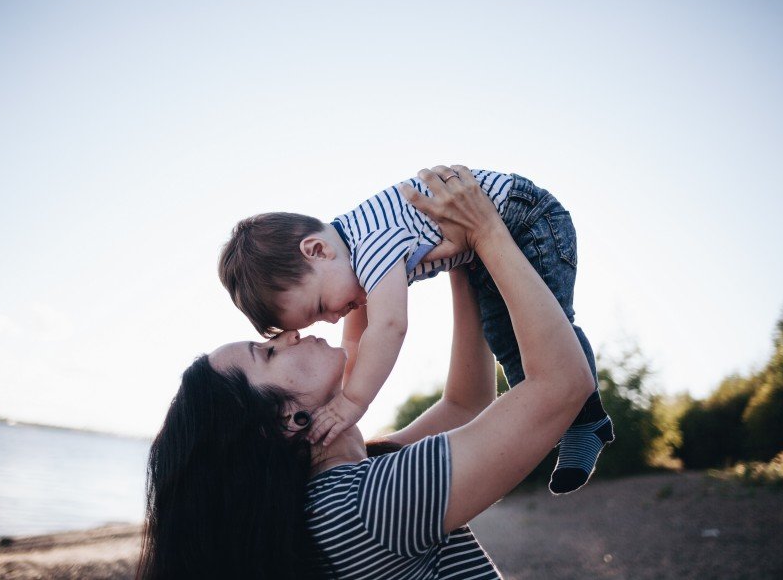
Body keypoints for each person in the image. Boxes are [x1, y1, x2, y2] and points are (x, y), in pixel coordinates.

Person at [137, 167, 596, 579]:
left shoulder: (345, 490)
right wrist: (488, 231)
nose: (289, 336)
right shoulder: (359, 511)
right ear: (282, 424)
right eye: (267, 353)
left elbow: (466, 406)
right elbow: (561, 386)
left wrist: (464, 261)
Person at [218, 166, 612, 493]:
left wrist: (353, 402)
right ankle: (581, 421)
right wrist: (474, 243)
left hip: (524, 219)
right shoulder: (353, 250)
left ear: (317, 251)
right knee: (507, 337)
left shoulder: (369, 247)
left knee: (542, 330)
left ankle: (585, 419)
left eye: (321, 308)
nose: (333, 319)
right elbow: (356, 343)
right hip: (495, 232)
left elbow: (388, 326)